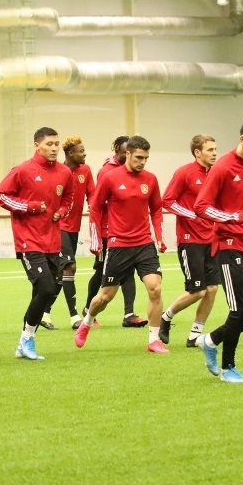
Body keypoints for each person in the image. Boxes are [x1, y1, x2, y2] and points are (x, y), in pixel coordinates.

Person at [193, 117, 243, 383]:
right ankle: (228, 368)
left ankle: (210, 340)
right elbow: (201, 207)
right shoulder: (223, 167)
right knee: (239, 309)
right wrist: (234, 217)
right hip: (228, 245)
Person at [75, 135, 168, 353]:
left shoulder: (151, 179)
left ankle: (154, 340)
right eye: (138, 157)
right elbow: (95, 208)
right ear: (127, 154)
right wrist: (96, 238)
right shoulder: (110, 177)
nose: (143, 162)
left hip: (144, 243)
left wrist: (160, 236)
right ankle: (87, 321)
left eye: (146, 158)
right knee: (105, 297)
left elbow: (156, 209)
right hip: (119, 245)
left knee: (155, 288)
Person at [0, 127, 74, 360]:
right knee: (47, 288)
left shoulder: (64, 172)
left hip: (53, 240)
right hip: (28, 240)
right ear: (37, 146)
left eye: (56, 144)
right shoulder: (22, 170)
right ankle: (27, 339)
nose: (54, 148)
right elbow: (0, 195)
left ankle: (24, 342)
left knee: (46, 291)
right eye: (49, 144)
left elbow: (68, 198)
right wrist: (28, 206)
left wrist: (62, 211)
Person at [79, 136, 147, 329]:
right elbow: (98, 204)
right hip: (106, 231)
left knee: (129, 271)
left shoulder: (135, 173)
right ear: (117, 150)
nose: (128, 156)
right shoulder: (106, 172)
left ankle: (129, 314)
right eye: (124, 152)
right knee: (101, 271)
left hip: (126, 233)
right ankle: (88, 309)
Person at [160, 135, 220, 347]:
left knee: (212, 289)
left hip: (212, 240)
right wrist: (193, 215)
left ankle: (194, 335)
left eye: (215, 149)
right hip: (190, 239)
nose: (214, 153)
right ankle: (166, 316)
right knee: (197, 291)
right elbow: (167, 201)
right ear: (197, 152)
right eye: (210, 150)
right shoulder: (184, 172)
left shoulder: (216, 174)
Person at [41, 135, 95, 331]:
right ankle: (74, 316)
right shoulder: (59, 172)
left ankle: (44, 314)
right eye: (81, 151)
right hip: (59, 226)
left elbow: (92, 195)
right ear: (71, 154)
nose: (85, 154)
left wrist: (95, 210)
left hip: (74, 228)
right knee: (70, 267)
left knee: (59, 275)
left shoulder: (85, 171)